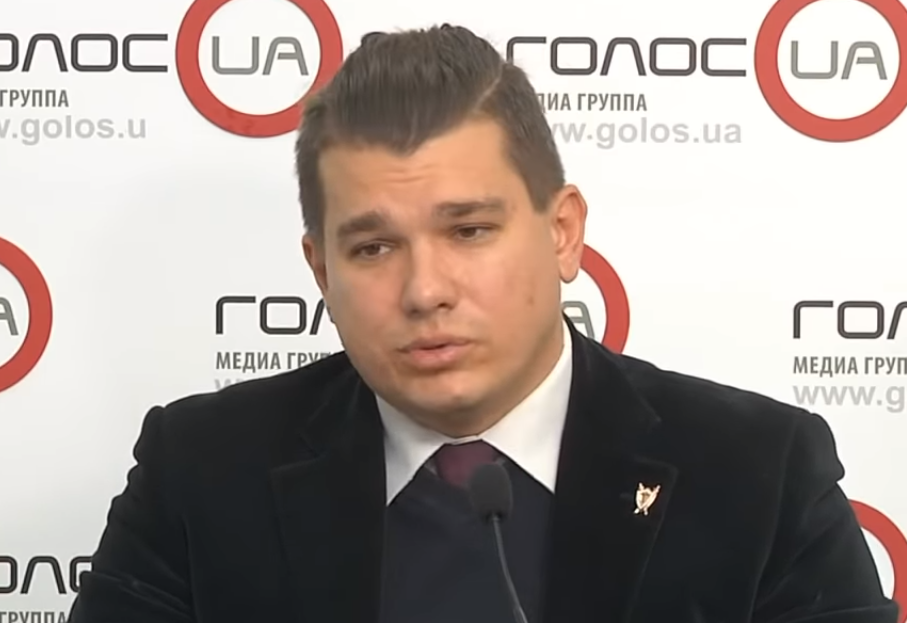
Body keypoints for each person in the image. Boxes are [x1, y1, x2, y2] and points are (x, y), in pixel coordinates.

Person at [68, 24, 896, 623]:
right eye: (373, 247)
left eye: (468, 230)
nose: (424, 289)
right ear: (320, 271)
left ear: (562, 232)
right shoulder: (202, 472)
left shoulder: (757, 472)